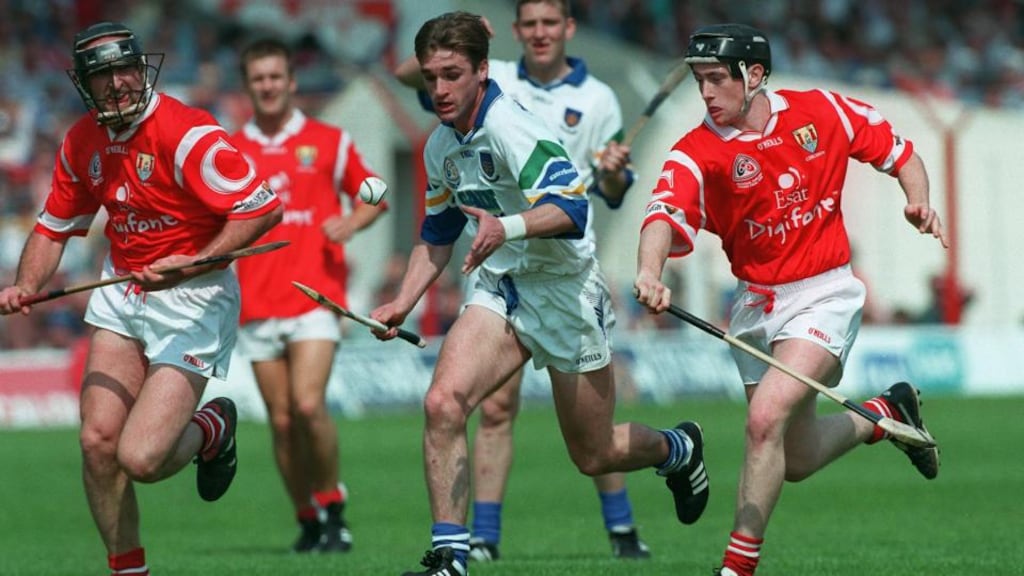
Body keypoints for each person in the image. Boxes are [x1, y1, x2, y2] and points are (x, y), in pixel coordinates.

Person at [374, 12, 709, 576]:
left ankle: (678, 449)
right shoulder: (440, 145)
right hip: (501, 289)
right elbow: (436, 235)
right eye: (432, 77)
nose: (439, 89)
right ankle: (451, 559)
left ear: (482, 70)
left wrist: (505, 228)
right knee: (442, 403)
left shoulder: (512, 125)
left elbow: (574, 208)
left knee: (594, 453)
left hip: (565, 292)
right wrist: (401, 302)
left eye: (452, 75)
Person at [633, 24, 945, 576]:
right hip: (755, 307)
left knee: (763, 419)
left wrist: (917, 202)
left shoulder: (822, 109)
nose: (704, 93)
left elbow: (900, 152)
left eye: (714, 80)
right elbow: (661, 215)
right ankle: (884, 413)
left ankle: (736, 568)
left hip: (825, 292)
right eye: (698, 80)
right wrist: (648, 271)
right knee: (794, 458)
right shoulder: (695, 152)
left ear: (753, 76)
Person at [0, 21, 283, 576]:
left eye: (123, 70)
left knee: (142, 459)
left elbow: (261, 207)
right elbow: (54, 227)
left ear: (141, 67)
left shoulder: (187, 134)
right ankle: (129, 571)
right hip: (124, 289)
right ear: (84, 84)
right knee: (98, 441)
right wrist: (25, 285)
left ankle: (212, 428)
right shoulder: (83, 141)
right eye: (101, 75)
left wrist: (191, 263)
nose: (117, 85)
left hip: (196, 297)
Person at [231, 37, 388, 553]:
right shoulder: (232, 150)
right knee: (279, 420)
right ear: (249, 85)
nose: (269, 86)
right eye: (259, 79)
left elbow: (376, 191)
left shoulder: (328, 141)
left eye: (276, 77)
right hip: (256, 302)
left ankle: (334, 505)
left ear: (291, 81)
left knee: (306, 404)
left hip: (316, 300)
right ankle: (307, 518)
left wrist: (355, 218)